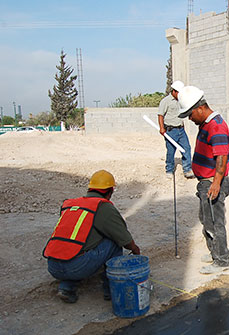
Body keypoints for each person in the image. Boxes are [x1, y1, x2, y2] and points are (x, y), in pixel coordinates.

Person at [43, 170, 141, 303]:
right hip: (76, 267)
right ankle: (111, 289)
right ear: (110, 191)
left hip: (53, 265)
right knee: (113, 243)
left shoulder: (70, 204)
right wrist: (135, 250)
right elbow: (124, 239)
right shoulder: (102, 207)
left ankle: (66, 286)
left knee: (76, 249)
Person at [177, 86, 229, 275]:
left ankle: (222, 259)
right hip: (206, 181)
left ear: (200, 108)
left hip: (212, 181)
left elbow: (222, 157)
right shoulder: (205, 124)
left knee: (216, 222)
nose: (190, 119)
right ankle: (214, 251)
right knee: (206, 219)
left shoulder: (216, 126)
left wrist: (216, 183)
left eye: (190, 115)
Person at [158, 80, 195, 179]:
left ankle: (187, 169)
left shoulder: (181, 100)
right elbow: (160, 115)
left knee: (186, 148)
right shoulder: (166, 101)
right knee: (171, 151)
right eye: (178, 92)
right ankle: (169, 170)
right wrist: (162, 128)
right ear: (174, 91)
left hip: (181, 130)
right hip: (170, 131)